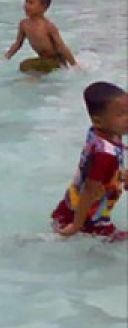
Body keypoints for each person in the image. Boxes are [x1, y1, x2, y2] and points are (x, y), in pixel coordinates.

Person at [51, 82, 127, 240]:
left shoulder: (103, 133)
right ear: (98, 121)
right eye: (121, 114)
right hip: (87, 218)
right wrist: (76, 226)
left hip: (71, 207)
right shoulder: (105, 155)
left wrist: (121, 175)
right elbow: (89, 190)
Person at [4, 0, 78, 73]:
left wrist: (74, 65)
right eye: (26, 2)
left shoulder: (48, 26)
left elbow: (61, 47)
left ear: (44, 7)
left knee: (26, 66)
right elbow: (17, 44)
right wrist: (6, 57)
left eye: (31, 3)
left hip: (56, 61)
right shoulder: (23, 24)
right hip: (43, 60)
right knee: (25, 66)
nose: (26, 5)